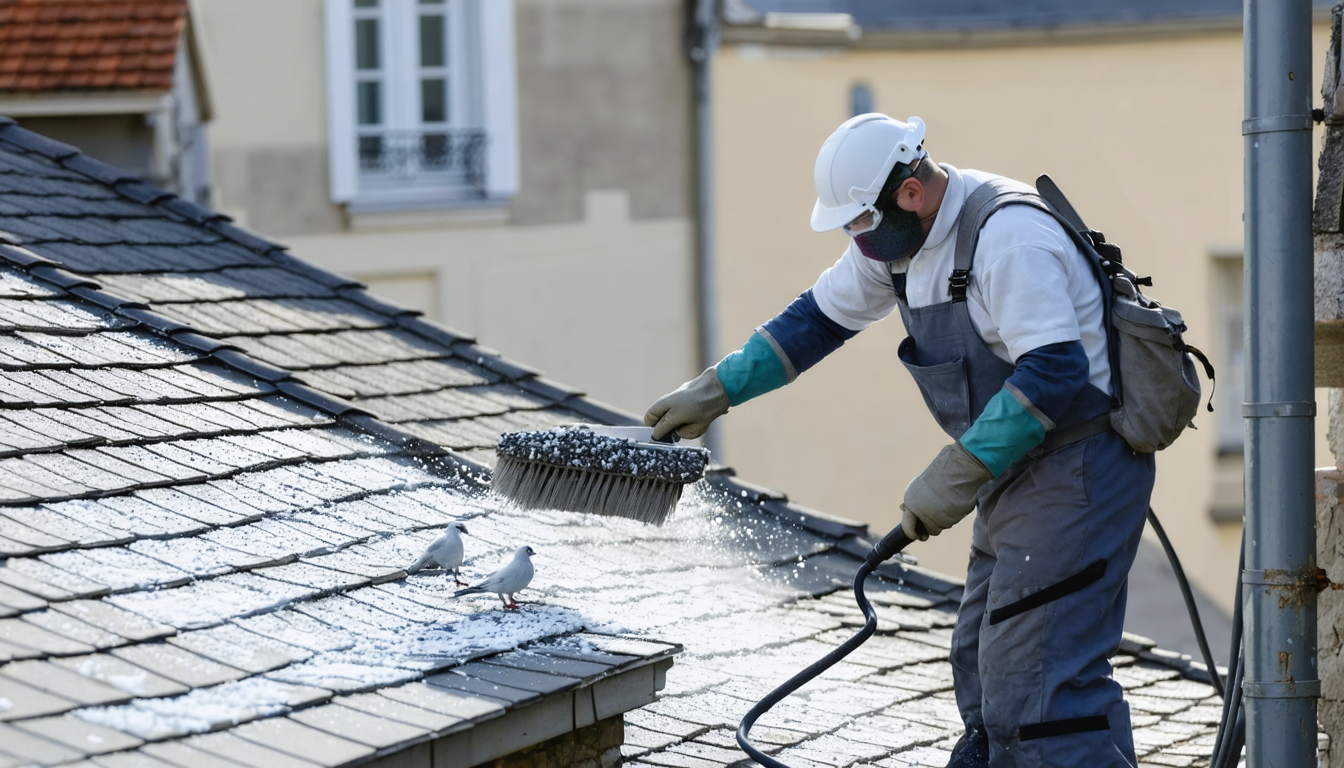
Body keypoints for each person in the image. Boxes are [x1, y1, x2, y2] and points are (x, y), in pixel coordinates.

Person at [644, 113, 1155, 768]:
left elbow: (1055, 371)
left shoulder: (1008, 240)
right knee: (981, 663)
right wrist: (716, 390)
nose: (857, 239)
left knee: (1038, 686)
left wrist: (957, 472)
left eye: (861, 222)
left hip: (1078, 472)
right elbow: (816, 321)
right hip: (1014, 470)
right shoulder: (898, 246)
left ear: (910, 193)